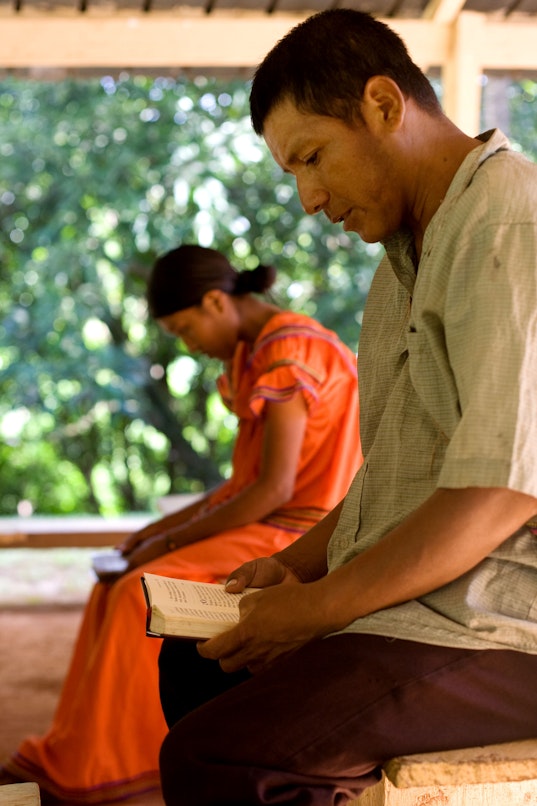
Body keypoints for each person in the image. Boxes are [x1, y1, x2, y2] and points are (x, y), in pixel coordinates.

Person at [157, 10, 537, 806]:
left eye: (312, 157)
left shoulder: (506, 222)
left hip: (497, 623)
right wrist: (296, 566)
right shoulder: (400, 258)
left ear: (382, 105)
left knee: (221, 756)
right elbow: (395, 477)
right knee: (198, 665)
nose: (306, 197)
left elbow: (498, 491)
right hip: (423, 598)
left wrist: (317, 610)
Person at [0, 244, 361, 803]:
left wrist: (167, 541)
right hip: (269, 519)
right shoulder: (257, 349)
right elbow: (243, 485)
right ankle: (82, 753)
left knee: (135, 594)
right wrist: (150, 535)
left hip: (299, 533)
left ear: (216, 301)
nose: (189, 345)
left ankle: (118, 765)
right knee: (113, 584)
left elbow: (275, 489)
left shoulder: (291, 349)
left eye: (184, 329)